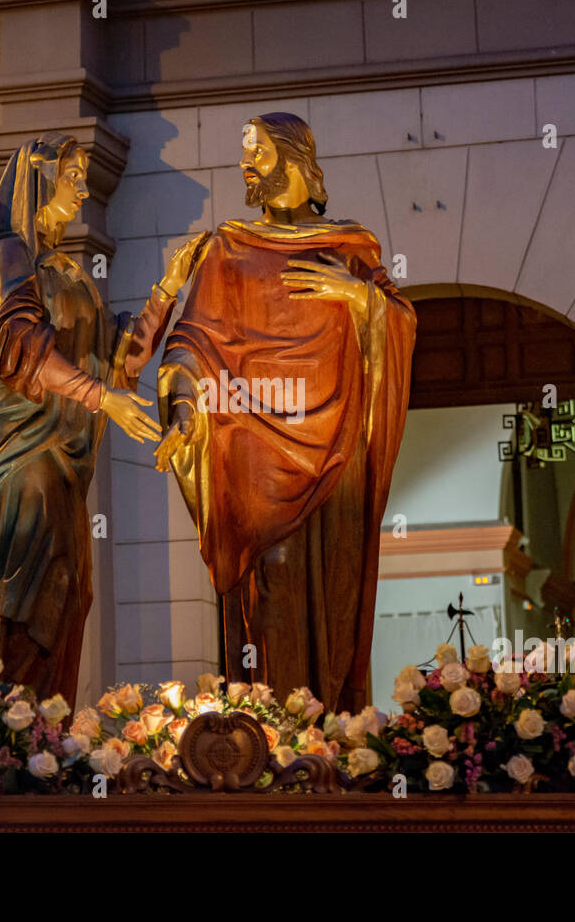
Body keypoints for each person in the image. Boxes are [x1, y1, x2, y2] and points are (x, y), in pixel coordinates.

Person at [153, 113, 415, 713]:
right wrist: (186, 409)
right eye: (245, 153)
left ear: (295, 158)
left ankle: (333, 736)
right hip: (253, 457)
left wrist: (358, 296)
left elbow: (399, 323)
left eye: (260, 152)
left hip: (338, 449)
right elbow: (191, 343)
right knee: (272, 581)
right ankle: (274, 735)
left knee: (334, 589)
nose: (247, 164)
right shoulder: (227, 249)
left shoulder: (348, 245)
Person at [0, 132, 208, 703]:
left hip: (58, 458)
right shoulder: (6, 255)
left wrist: (169, 285)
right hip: (13, 450)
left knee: (70, 590)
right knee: (29, 592)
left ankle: (48, 730)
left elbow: (119, 359)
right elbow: (17, 345)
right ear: (39, 180)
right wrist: (101, 398)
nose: (80, 188)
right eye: (70, 176)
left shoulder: (68, 273)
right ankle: (13, 731)